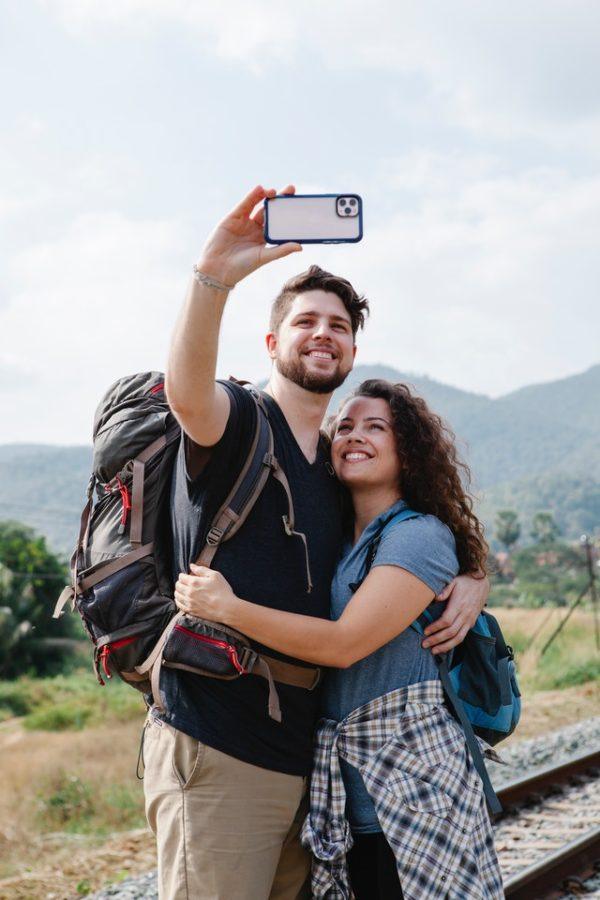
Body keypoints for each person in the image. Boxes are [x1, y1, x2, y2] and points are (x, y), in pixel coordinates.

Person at [143, 183, 491, 900]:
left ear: (354, 347)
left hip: (305, 757)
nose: (322, 332)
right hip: (218, 739)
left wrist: (474, 573)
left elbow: (416, 533)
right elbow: (185, 392)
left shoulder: (335, 471)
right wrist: (214, 276)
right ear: (274, 342)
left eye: (337, 324)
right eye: (305, 321)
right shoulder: (237, 423)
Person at [174, 378, 503, 899]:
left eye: (377, 427)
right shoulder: (339, 535)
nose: (355, 436)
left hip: (414, 786)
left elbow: (344, 642)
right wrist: (477, 577)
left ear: (409, 450)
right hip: (349, 793)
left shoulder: (416, 533)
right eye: (344, 426)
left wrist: (229, 610)